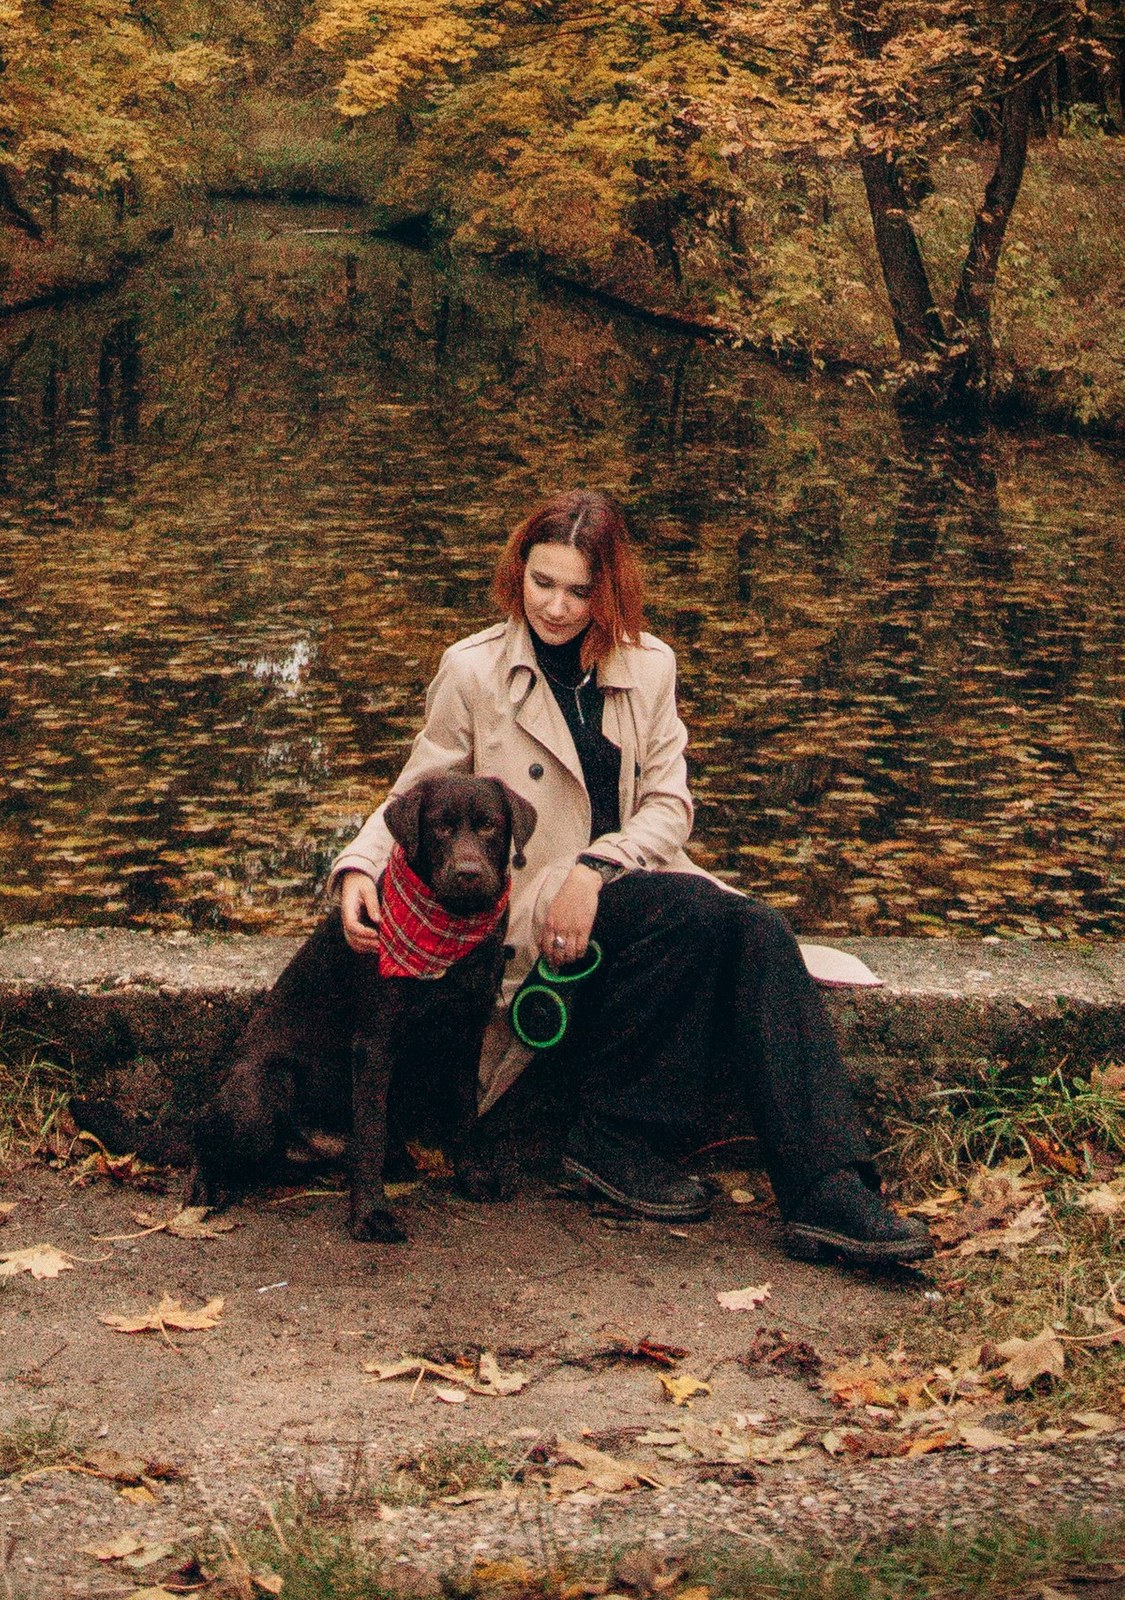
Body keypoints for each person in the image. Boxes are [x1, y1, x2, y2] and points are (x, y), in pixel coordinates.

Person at [330, 486, 931, 1270]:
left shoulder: (649, 667)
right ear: (520, 574)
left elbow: (668, 806)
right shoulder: (473, 670)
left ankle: (827, 1188)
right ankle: (621, 1138)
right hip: (530, 911)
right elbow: (420, 788)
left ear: (609, 589)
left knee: (754, 927)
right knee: (702, 920)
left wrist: (594, 865)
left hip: (621, 885)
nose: (554, 606)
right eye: (541, 583)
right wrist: (359, 866)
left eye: (579, 591)